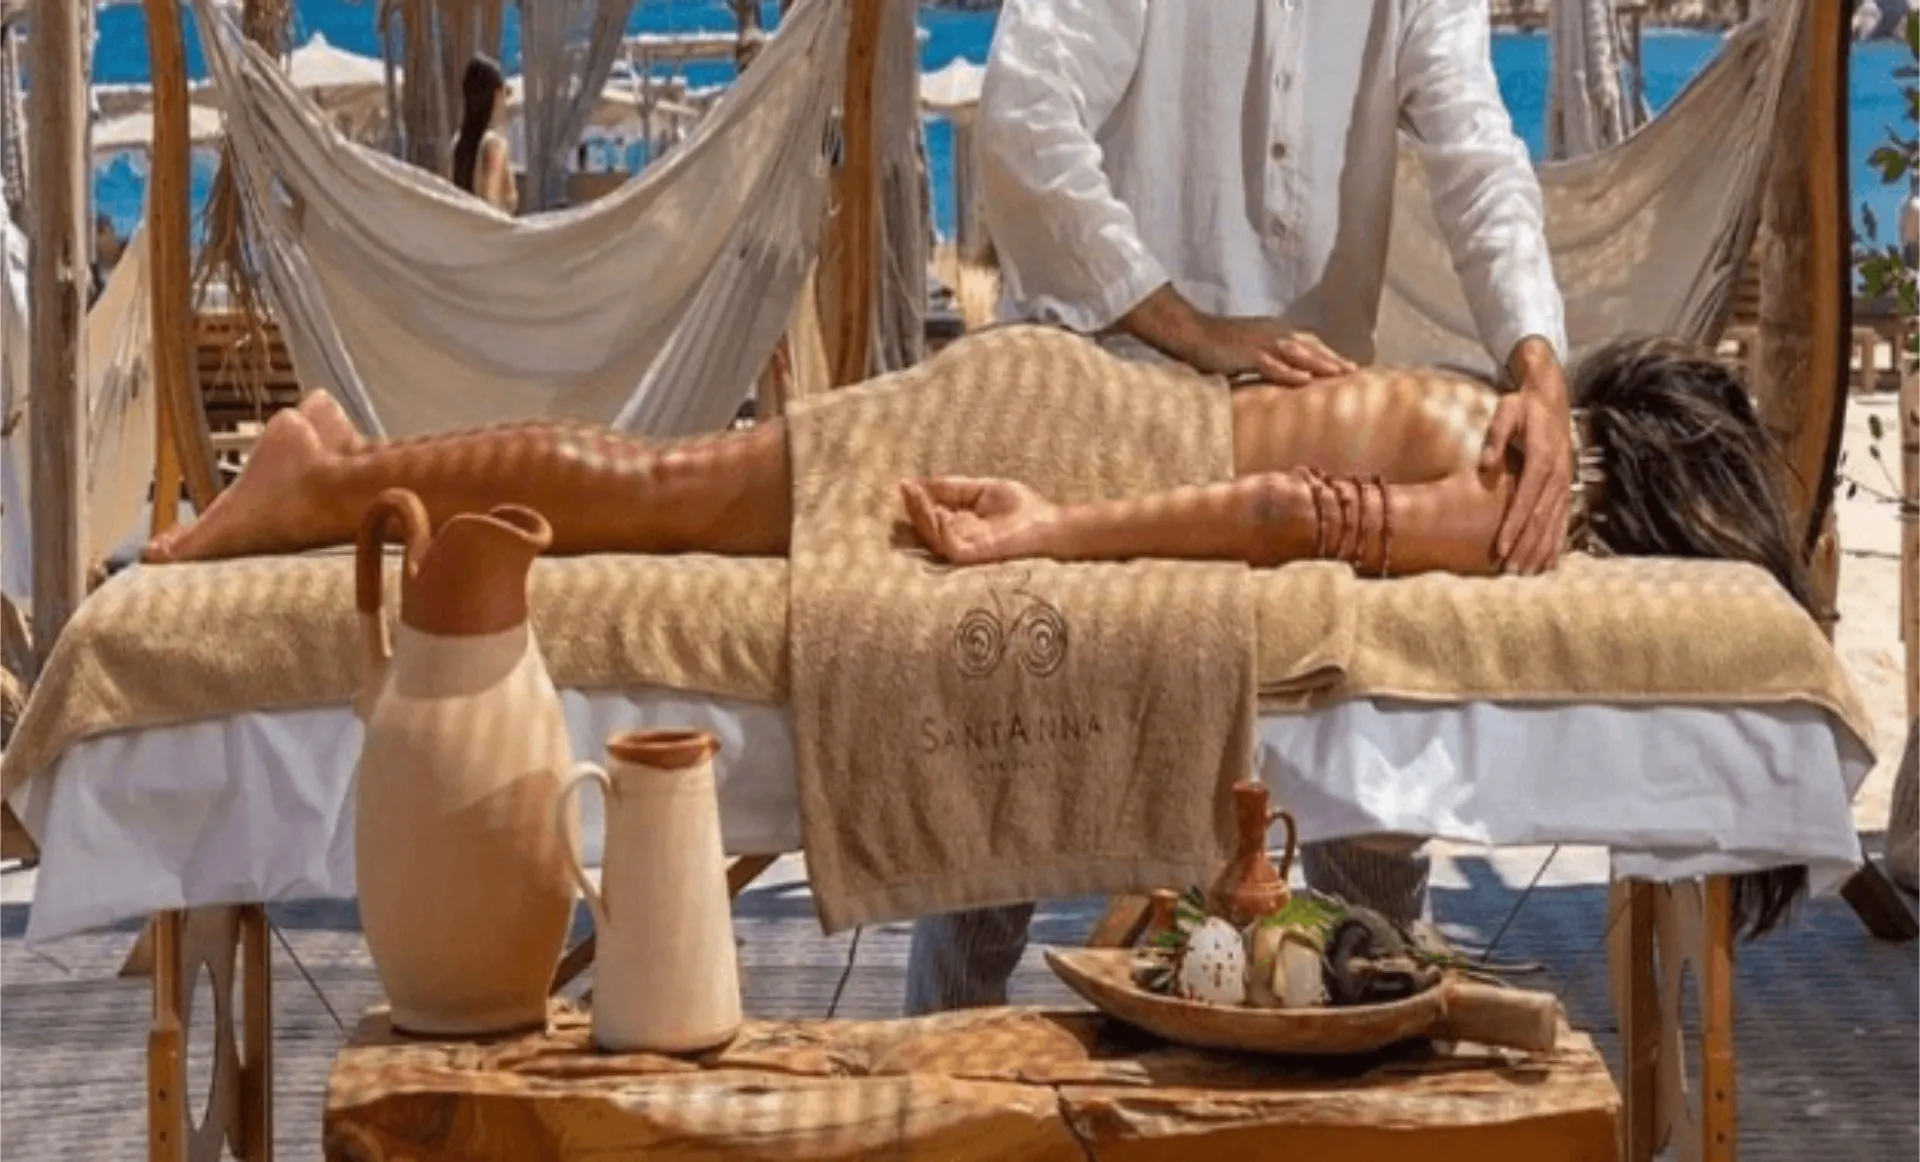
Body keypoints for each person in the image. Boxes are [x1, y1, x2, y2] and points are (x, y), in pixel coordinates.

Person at [138, 335, 1804, 938]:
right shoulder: (1516, 494)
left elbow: (1298, 474)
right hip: (1078, 441)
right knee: (663, 493)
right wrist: (1048, 531)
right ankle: (320, 483)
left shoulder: (1504, 415)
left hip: (1091, 404)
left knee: (666, 486)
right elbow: (1284, 512)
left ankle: (332, 466)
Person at [937, 0, 1578, 1016]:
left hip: (1315, 440)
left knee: (1369, 832)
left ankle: (1369, 1059)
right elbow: (1024, 121)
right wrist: (1192, 329)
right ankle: (933, 1067)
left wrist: (1538, 366)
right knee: (994, 826)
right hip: (1093, 404)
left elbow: (1477, 154)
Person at [451, 55, 517, 215]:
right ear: (494, 96)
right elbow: (491, 201)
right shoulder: (494, 145)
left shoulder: (457, 143)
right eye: (503, 95)